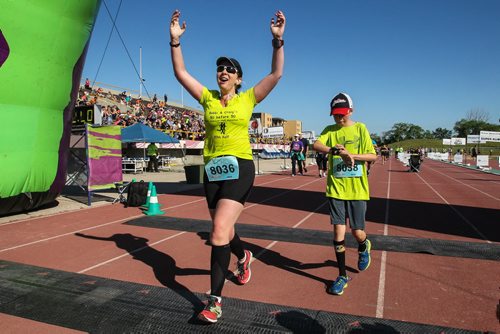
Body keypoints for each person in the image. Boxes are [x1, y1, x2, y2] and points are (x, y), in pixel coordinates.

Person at [169, 9, 285, 323]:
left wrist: (277, 42)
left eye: (229, 69)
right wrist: (175, 41)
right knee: (226, 231)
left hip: (240, 167)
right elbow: (181, 74)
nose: (223, 71)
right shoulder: (206, 98)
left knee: (217, 231)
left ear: (238, 78)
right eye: (220, 68)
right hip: (213, 170)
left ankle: (214, 301)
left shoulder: (248, 99)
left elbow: (275, 75)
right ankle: (243, 256)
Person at [312, 92, 377, 296]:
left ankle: (364, 244)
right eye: (336, 115)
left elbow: (372, 156)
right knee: (338, 233)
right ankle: (342, 276)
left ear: (351, 111)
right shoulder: (330, 131)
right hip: (336, 189)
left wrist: (352, 156)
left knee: (357, 232)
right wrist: (334, 151)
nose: (340, 119)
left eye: (343, 115)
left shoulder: (360, 128)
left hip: (357, 190)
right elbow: (316, 145)